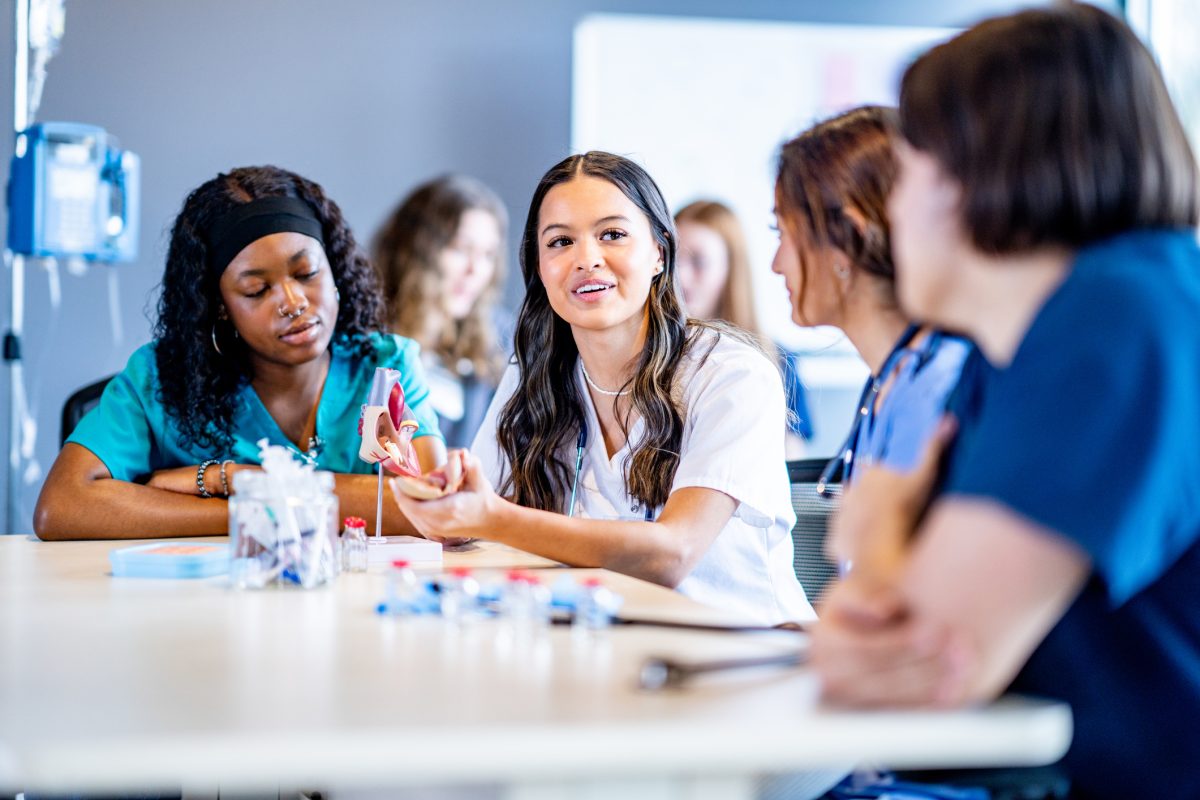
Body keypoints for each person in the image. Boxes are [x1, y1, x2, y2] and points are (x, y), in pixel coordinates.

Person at [810, 6, 1200, 798]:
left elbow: (926, 666)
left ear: (976, 170)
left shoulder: (1119, 318)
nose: (894, 212)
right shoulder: (1013, 347)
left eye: (908, 171)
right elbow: (881, 652)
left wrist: (873, 538)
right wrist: (876, 593)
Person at [393, 151, 815, 625]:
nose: (586, 259)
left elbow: (670, 556)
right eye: (560, 242)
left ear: (659, 251)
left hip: (750, 657)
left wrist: (486, 517)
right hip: (613, 650)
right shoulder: (531, 374)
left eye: (612, 234)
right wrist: (445, 503)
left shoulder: (732, 375)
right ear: (539, 266)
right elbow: (476, 517)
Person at [34, 165, 445, 540]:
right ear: (221, 307)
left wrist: (229, 481)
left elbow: (437, 511)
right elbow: (62, 506)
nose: (293, 301)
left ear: (334, 267)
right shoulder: (161, 379)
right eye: (256, 290)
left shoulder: (385, 367)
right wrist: (258, 508)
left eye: (307, 273)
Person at [771, 107, 970, 516]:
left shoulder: (935, 389)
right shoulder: (891, 381)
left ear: (847, 238)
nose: (777, 262)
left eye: (784, 234)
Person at [372, 175, 511, 448]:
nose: (475, 271)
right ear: (415, 250)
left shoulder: (503, 343)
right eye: (461, 249)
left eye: (487, 255)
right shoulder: (366, 342)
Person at [675, 200, 815, 457]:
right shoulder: (655, 356)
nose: (681, 276)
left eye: (698, 261)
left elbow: (791, 472)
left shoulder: (776, 360)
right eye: (674, 258)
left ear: (731, 270)